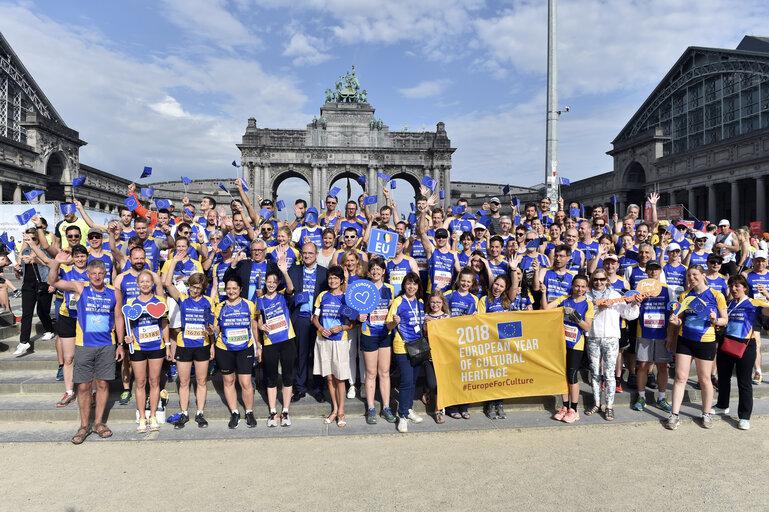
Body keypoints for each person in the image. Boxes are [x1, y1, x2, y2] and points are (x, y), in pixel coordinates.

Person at [48, 255, 125, 444]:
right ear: (88, 275)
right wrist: (57, 262)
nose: (97, 277)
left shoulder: (114, 292)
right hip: (84, 345)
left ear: (105, 274)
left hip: (107, 344)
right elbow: (53, 281)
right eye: (94, 274)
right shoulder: (80, 287)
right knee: (82, 386)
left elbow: (118, 318)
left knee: (102, 385)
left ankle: (98, 423)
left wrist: (121, 344)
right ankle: (84, 425)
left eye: (101, 273)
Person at [666, 265, 728, 430]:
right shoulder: (685, 296)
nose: (691, 278)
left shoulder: (716, 295)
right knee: (680, 378)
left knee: (705, 380)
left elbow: (724, 320)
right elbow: (680, 320)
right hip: (685, 340)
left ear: (703, 275)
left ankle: (706, 413)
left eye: (695, 275)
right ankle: (674, 414)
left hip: (706, 342)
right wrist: (674, 322)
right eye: (689, 276)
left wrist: (715, 320)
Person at [712, 274, 769, 430]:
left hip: (745, 345)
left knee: (744, 383)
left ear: (745, 287)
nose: (734, 289)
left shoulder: (753, 303)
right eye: (731, 286)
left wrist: (767, 295)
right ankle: (722, 405)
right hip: (727, 343)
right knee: (723, 378)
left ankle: (744, 416)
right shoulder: (729, 304)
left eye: (737, 286)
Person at [163, 261, 215, 429]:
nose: (194, 290)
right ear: (189, 286)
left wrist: (212, 340)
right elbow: (167, 283)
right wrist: (173, 262)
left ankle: (200, 413)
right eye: (192, 287)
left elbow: (212, 326)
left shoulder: (208, 302)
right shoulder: (183, 299)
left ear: (203, 288)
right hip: (184, 345)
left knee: (201, 381)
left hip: (202, 344)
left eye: (198, 288)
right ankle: (184, 413)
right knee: (184, 382)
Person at [586, 268, 639, 420]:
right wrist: (598, 307)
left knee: (609, 374)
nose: (599, 282)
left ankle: (609, 406)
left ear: (607, 280)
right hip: (593, 337)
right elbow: (584, 316)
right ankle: (597, 403)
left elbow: (629, 315)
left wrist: (634, 304)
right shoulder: (588, 296)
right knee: (595, 373)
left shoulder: (616, 295)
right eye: (596, 279)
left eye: (602, 279)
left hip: (611, 338)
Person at [124, 270, 170, 432]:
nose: (145, 284)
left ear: (152, 284)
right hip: (138, 347)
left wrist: (168, 344)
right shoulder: (130, 304)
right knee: (140, 382)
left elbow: (164, 324)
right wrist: (127, 336)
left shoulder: (160, 301)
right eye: (142, 282)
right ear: (137, 284)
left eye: (148, 282)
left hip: (157, 346)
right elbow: (127, 324)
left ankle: (153, 415)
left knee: (154, 381)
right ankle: (142, 416)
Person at [544, 274, 594, 423]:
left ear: (586, 288)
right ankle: (564, 407)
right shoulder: (564, 299)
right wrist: (543, 292)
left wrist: (574, 315)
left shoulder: (588, 304)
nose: (580, 289)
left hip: (576, 343)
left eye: (583, 286)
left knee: (572, 375)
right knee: (562, 374)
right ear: (572, 285)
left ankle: (574, 409)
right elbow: (546, 308)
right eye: (577, 285)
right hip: (561, 342)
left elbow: (587, 326)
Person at [213, 275, 261, 429]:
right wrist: (210, 331)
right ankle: (234, 412)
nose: (231, 291)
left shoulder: (249, 305)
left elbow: (254, 327)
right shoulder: (220, 307)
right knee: (228, 381)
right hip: (224, 348)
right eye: (228, 288)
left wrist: (258, 346)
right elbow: (216, 330)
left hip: (244, 348)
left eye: (234, 288)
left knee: (245, 382)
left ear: (241, 289)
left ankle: (249, 412)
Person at [257, 247, 296, 427]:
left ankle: (285, 411)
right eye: (268, 281)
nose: (271, 284)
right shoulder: (260, 299)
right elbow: (257, 321)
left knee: (287, 376)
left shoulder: (283, 295)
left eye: (274, 281)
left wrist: (284, 271)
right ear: (265, 283)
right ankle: (273, 411)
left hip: (287, 340)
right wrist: (260, 325)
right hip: (270, 342)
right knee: (271, 377)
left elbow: (291, 288)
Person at [312, 265, 355, 427]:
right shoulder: (322, 296)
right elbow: (315, 318)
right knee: (329, 377)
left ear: (341, 280)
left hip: (339, 341)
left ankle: (342, 412)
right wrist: (320, 328)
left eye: (336, 278)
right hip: (323, 340)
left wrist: (341, 327)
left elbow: (352, 324)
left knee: (339, 378)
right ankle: (335, 410)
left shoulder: (345, 298)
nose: (332, 280)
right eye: (330, 278)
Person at [630, 260, 674, 413]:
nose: (653, 272)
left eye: (656, 269)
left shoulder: (668, 290)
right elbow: (632, 310)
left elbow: (673, 313)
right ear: (646, 271)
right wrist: (636, 303)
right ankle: (641, 397)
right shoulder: (639, 289)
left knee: (662, 366)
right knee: (642, 366)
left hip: (662, 334)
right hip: (644, 332)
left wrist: (670, 335)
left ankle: (662, 398)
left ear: (660, 271)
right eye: (650, 269)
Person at [288, 242, 328, 403]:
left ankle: (318, 388)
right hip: (301, 317)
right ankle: (300, 387)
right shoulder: (294, 271)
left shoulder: (325, 273)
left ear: (316, 254)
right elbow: (288, 293)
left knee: (318, 354)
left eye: (310, 253)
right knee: (301, 354)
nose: (307, 256)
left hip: (319, 319)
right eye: (304, 253)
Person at [386, 272, 426, 433]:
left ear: (418, 286)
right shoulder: (397, 302)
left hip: (418, 347)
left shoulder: (421, 303)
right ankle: (402, 416)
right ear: (404, 285)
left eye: (414, 284)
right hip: (402, 346)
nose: (412, 287)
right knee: (406, 381)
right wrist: (393, 322)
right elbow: (388, 326)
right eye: (409, 284)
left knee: (413, 380)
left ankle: (408, 409)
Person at [359, 257, 397, 424]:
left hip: (384, 334)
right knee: (371, 373)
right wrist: (358, 316)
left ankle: (386, 407)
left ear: (383, 271)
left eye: (378, 269)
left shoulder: (390, 289)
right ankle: (371, 408)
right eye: (372, 269)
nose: (375, 271)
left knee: (384, 372)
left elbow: (392, 309)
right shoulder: (364, 286)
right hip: (369, 334)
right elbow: (353, 310)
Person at [51, 244, 90, 408]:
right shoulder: (66, 270)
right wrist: (56, 262)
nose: (80, 259)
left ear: (87, 257)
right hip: (68, 316)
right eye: (77, 256)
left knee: (89, 357)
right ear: (73, 257)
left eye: (83, 256)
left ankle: (93, 392)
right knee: (68, 358)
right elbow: (51, 280)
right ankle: (69, 391)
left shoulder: (93, 271)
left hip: (88, 318)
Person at [12, 229, 55, 356]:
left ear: (38, 239)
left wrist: (34, 259)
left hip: (43, 283)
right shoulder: (24, 251)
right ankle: (23, 341)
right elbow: (24, 270)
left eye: (33, 239)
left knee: (42, 311)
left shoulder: (45, 250)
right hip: (28, 285)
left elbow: (50, 265)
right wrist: (18, 270)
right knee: (27, 313)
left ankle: (49, 330)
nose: (30, 241)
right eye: (27, 239)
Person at [744, 250, 769, 385]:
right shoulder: (746, 275)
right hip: (754, 313)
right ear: (753, 261)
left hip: (768, 311)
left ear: (767, 262)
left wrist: (766, 293)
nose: (760, 264)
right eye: (758, 261)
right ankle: (758, 371)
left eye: (763, 261)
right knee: (757, 344)